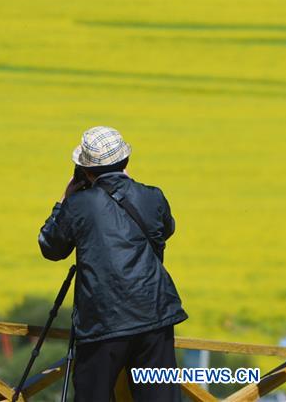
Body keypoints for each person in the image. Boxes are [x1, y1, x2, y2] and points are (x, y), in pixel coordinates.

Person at [38, 126, 188, 401]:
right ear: (126, 161)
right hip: (154, 315)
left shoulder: (79, 204)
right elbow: (165, 230)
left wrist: (63, 201)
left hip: (102, 321)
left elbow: (51, 247)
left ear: (84, 170)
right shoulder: (152, 196)